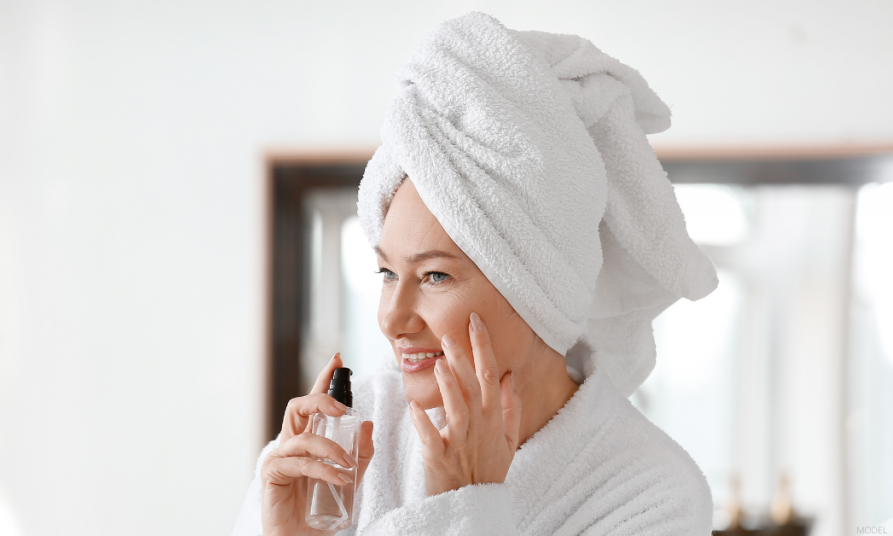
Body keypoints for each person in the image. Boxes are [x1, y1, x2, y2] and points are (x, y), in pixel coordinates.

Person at [233, 12, 718, 536]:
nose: (392, 319)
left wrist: (465, 505)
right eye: (387, 272)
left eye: (435, 277)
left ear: (536, 286)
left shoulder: (649, 493)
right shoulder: (356, 432)